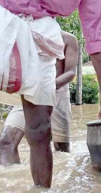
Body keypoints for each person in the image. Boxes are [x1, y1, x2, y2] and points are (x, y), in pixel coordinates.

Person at [0, 0, 101, 188]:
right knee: (7, 141)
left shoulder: (68, 39)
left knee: (41, 129)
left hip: (43, 38)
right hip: (3, 16)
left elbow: (94, 29)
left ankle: (42, 190)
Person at [0, 31, 78, 165]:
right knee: (6, 141)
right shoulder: (23, 33)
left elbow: (70, 72)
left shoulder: (68, 39)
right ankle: (14, 182)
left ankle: (57, 183)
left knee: (61, 150)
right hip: (28, 93)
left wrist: (46, 87)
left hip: (57, 94)